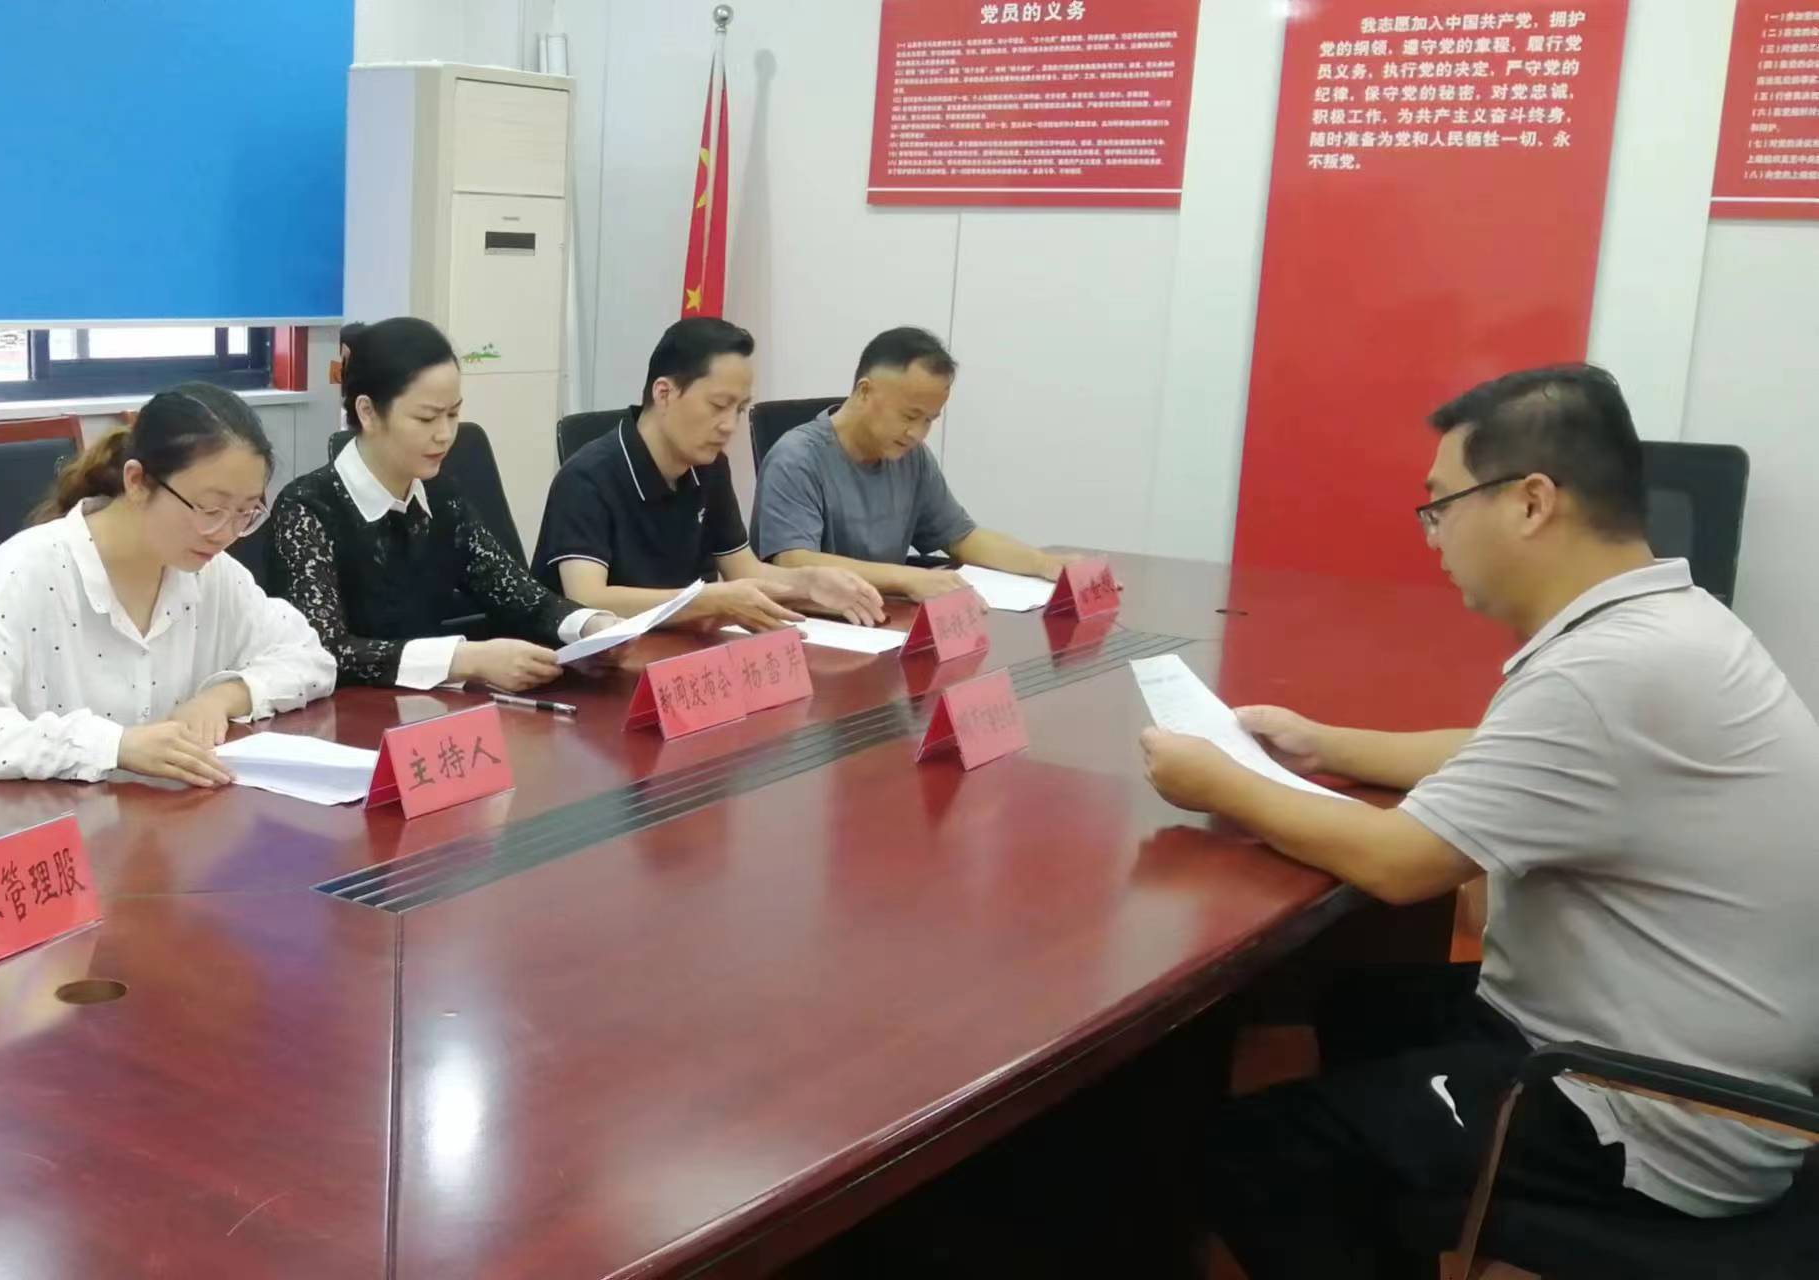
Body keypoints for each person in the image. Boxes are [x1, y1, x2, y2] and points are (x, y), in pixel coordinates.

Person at [1138, 365, 1819, 1279]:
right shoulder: (1669, 624)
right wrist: (1322, 742)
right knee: (1361, 1006)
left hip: (1653, 1117)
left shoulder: (1607, 669)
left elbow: (1400, 864)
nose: (1434, 535)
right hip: (1688, 1059)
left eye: (1442, 505)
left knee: (1258, 1156)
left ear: (1532, 502)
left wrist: (1216, 781)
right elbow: (1501, 752)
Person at [0, 382, 336, 790]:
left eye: (245, 513)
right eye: (210, 509)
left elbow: (310, 659)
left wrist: (224, 696)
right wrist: (114, 746)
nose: (225, 534)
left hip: (144, 821)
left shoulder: (212, 572)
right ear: (137, 482)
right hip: (25, 826)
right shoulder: (28, 569)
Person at [263, 318, 621, 691]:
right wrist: (466, 659)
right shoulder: (306, 509)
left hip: (431, 710)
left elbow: (516, 593)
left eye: (453, 414)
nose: (445, 434)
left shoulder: (440, 495)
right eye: (426, 418)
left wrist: (591, 626)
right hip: (343, 716)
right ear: (367, 412)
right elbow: (325, 652)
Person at [533, 316, 885, 632]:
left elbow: (744, 572)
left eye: (740, 409)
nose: (730, 425)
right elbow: (588, 598)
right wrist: (704, 601)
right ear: (664, 393)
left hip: (678, 651)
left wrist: (809, 583)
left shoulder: (710, 466)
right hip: (595, 668)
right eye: (718, 406)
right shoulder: (587, 477)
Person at [752, 327, 1069, 601]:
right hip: (819, 626)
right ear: (864, 392)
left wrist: (1044, 564)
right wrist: (907, 578)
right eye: (909, 416)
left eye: (929, 420)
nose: (917, 433)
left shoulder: (911, 456)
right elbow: (794, 563)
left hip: (884, 619)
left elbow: (962, 538)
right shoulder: (797, 457)